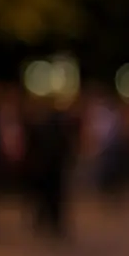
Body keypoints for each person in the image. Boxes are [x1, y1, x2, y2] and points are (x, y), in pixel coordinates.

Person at [24, 98, 77, 240]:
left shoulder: (49, 127)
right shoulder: (47, 127)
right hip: (48, 169)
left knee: (49, 199)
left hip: (49, 168)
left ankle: (50, 225)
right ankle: (49, 224)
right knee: (48, 198)